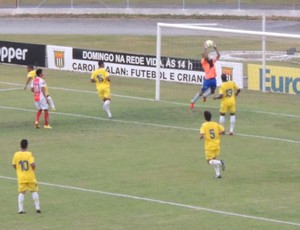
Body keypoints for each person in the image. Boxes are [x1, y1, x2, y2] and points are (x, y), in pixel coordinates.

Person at [12, 139, 41, 214]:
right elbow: (33, 164)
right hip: (30, 177)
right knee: (34, 191)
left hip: (21, 177)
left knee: (21, 192)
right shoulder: (29, 154)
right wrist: (33, 170)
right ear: (27, 145)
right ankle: (37, 208)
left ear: (20, 145)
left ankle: (20, 209)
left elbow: (14, 165)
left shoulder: (16, 154)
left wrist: (18, 170)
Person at [190, 42, 220, 110]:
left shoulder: (212, 61)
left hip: (213, 79)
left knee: (212, 91)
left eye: (208, 55)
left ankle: (205, 95)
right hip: (207, 80)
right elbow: (205, 56)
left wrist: (216, 48)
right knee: (201, 92)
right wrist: (205, 48)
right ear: (204, 56)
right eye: (206, 55)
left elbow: (218, 56)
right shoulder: (203, 61)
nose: (207, 55)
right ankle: (192, 101)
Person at [200, 111, 225, 179]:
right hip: (217, 145)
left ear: (205, 118)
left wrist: (201, 137)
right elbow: (223, 131)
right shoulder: (215, 124)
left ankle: (221, 162)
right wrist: (219, 133)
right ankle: (218, 174)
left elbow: (202, 134)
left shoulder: (204, 125)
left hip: (209, 146)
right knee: (214, 160)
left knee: (209, 161)